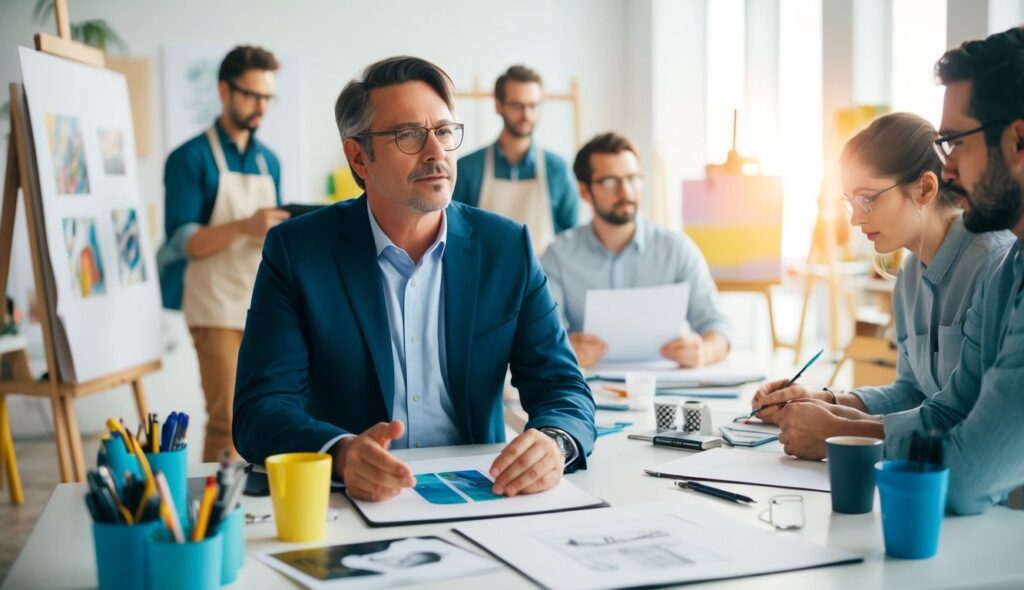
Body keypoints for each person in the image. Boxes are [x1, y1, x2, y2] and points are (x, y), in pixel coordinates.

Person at [233, 56, 596, 503]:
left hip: (484, 494)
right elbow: (259, 410)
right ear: (358, 157)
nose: (436, 152)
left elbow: (562, 385)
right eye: (408, 135)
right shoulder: (298, 252)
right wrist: (342, 454)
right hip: (351, 503)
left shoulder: (507, 248)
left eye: (444, 131)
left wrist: (555, 441)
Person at [762, 27, 1024, 515]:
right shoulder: (1011, 267)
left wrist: (838, 430)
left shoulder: (991, 260)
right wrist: (831, 405)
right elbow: (938, 405)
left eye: (956, 144)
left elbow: (967, 470)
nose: (947, 169)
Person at [750, 113, 1013, 458]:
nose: (856, 218)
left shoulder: (994, 265)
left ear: (925, 188)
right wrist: (825, 400)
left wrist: (836, 431)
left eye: (867, 198)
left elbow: (970, 419)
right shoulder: (907, 277)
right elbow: (914, 392)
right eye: (850, 201)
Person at [158, 45, 289, 462]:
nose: (261, 107)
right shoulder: (189, 159)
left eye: (268, 97)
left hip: (264, 306)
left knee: (269, 415)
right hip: (214, 308)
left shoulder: (271, 161)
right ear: (224, 91)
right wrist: (245, 227)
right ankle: (214, 518)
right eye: (252, 95)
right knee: (227, 421)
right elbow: (186, 243)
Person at [541, 132, 731, 369]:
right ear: (585, 192)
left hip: (665, 387)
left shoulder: (677, 250)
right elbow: (541, 337)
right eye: (610, 182)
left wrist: (705, 351)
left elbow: (718, 328)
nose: (626, 192)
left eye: (632, 178)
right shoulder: (558, 256)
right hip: (586, 386)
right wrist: (564, 350)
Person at [452, 65, 579, 253]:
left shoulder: (558, 169)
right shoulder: (468, 168)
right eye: (517, 105)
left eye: (533, 106)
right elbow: (454, 234)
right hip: (484, 278)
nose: (526, 115)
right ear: (498, 105)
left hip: (545, 278)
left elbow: (571, 238)